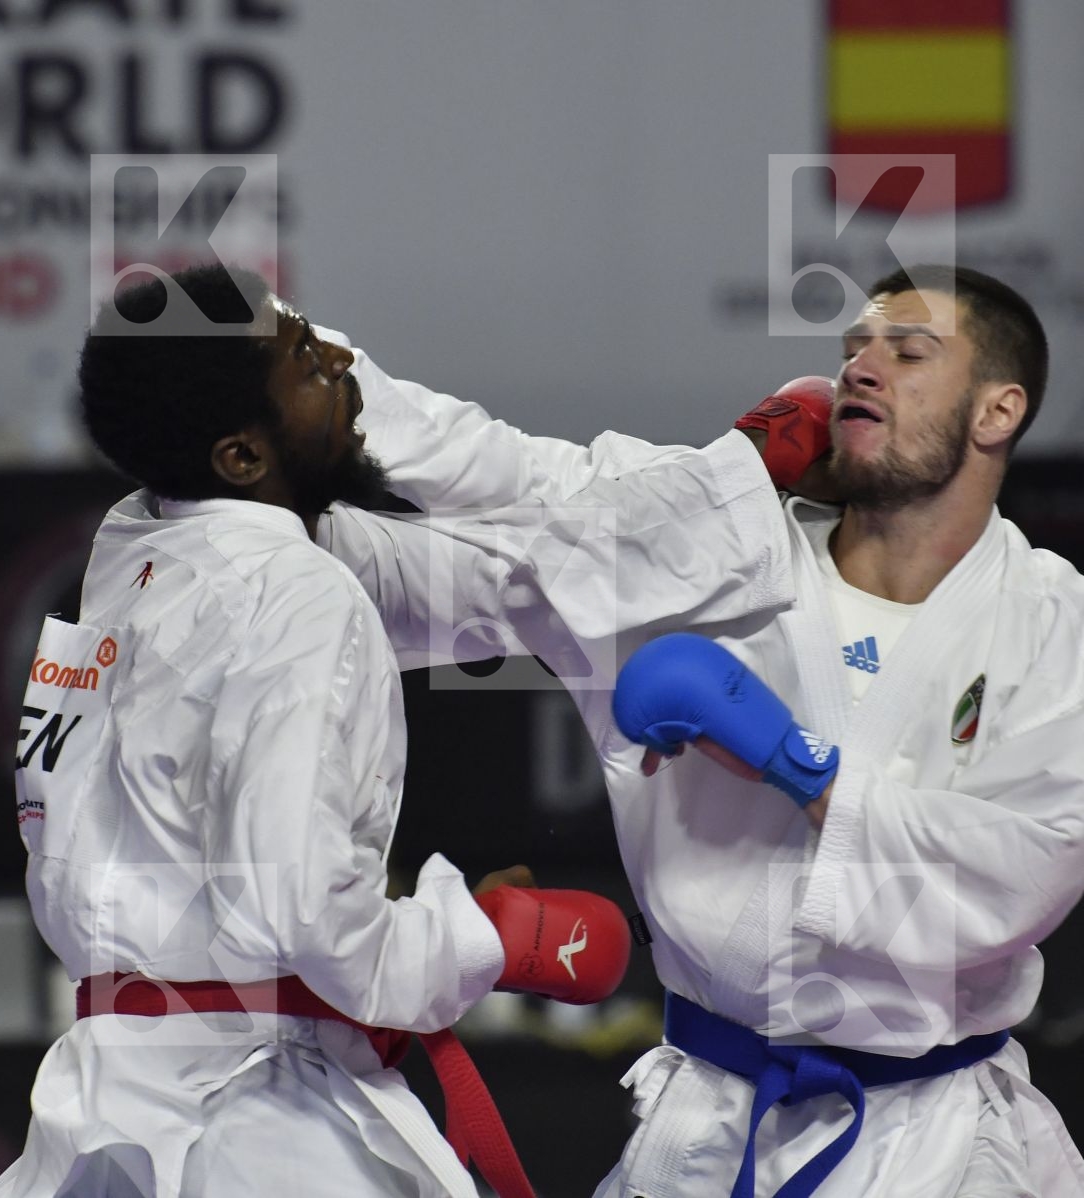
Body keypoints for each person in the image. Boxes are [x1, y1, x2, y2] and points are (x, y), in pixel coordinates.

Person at [0, 262, 783, 1198]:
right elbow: (308, 912)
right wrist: (485, 939)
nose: (340, 362)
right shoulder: (293, 593)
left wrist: (729, 480)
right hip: (252, 1124)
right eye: (303, 360)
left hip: (105, 1100)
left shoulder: (134, 561)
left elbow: (499, 578)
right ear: (240, 456)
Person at [322, 265, 1084, 1196]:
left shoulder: (1053, 622)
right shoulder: (704, 557)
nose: (861, 366)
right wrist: (255, 481)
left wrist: (799, 769)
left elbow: (1034, 859)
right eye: (854, 348)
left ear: (998, 411)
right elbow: (479, 517)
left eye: (909, 352)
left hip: (943, 1144)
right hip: (713, 1125)